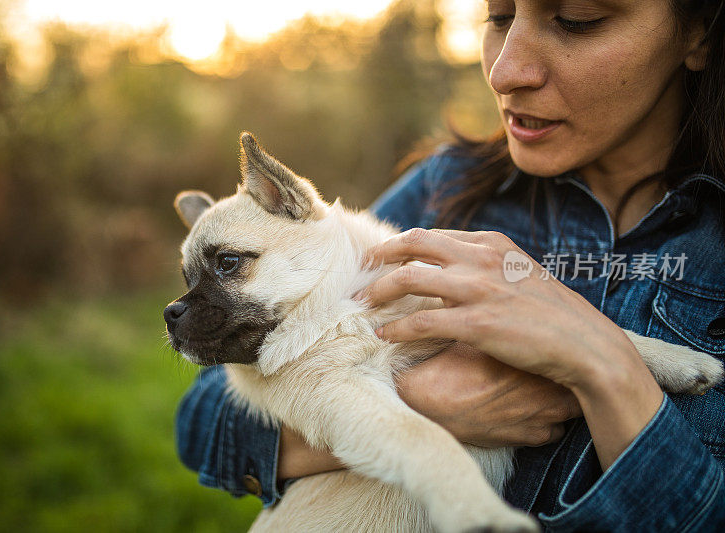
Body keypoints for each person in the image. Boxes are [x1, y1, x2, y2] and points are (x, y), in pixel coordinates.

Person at [175, 0, 725, 529]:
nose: (506, 69)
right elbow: (203, 422)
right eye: (499, 16)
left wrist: (605, 364)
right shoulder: (447, 186)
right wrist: (422, 404)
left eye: (577, 20)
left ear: (697, 32)